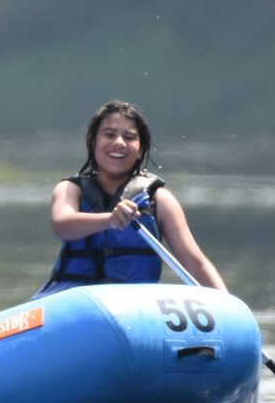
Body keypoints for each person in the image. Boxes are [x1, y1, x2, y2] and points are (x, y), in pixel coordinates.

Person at [38, 99, 226, 294]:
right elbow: (62, 225)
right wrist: (110, 219)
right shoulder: (70, 188)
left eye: (129, 137)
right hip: (70, 301)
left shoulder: (159, 200)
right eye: (109, 134)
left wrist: (230, 307)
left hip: (134, 308)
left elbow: (195, 263)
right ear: (93, 141)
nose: (119, 143)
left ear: (140, 150)